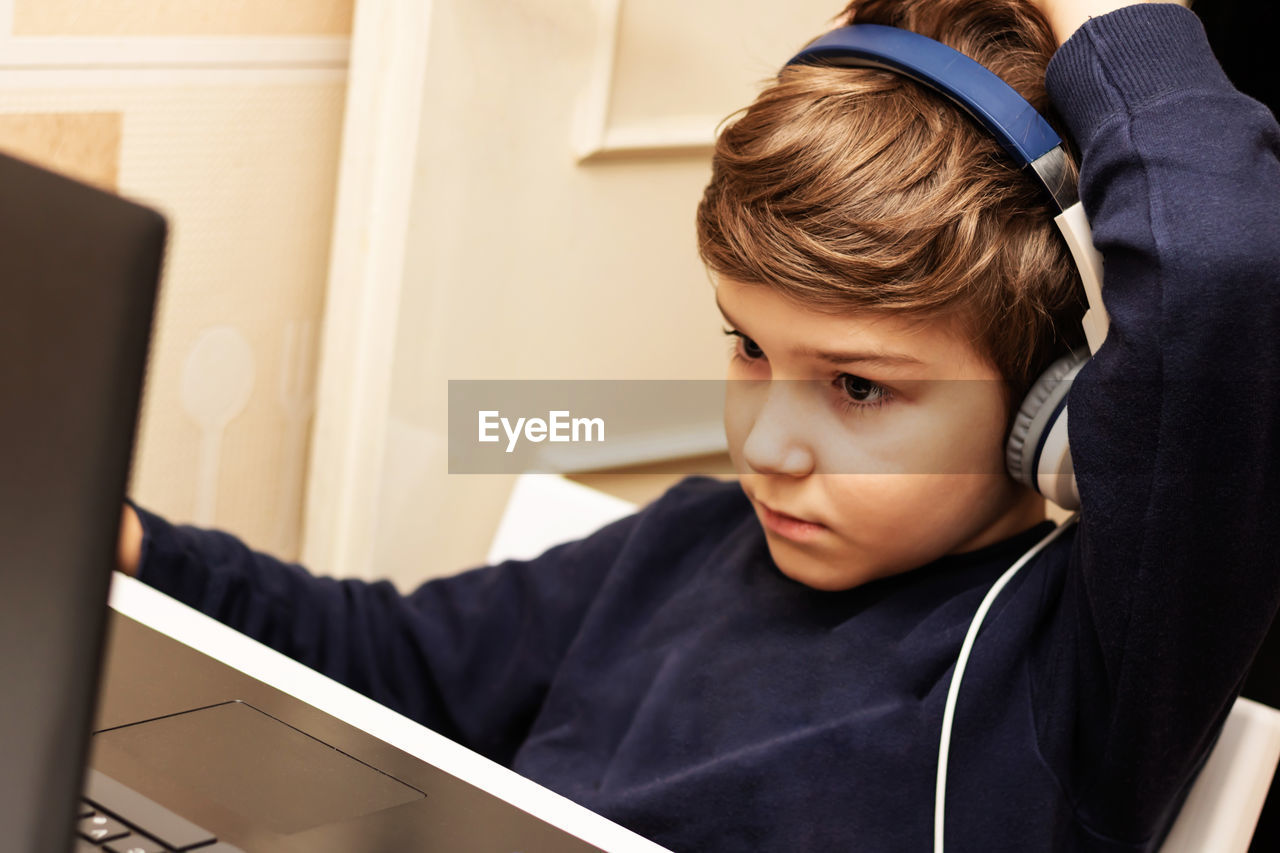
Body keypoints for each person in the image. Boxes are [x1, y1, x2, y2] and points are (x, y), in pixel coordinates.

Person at [116, 0, 1280, 849]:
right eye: (746, 345)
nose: (765, 446)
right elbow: (385, 662)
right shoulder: (679, 544)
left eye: (858, 388)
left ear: (1047, 403)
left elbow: (1221, 262)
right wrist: (124, 546)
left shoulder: (1084, 657)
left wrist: (1109, 18)